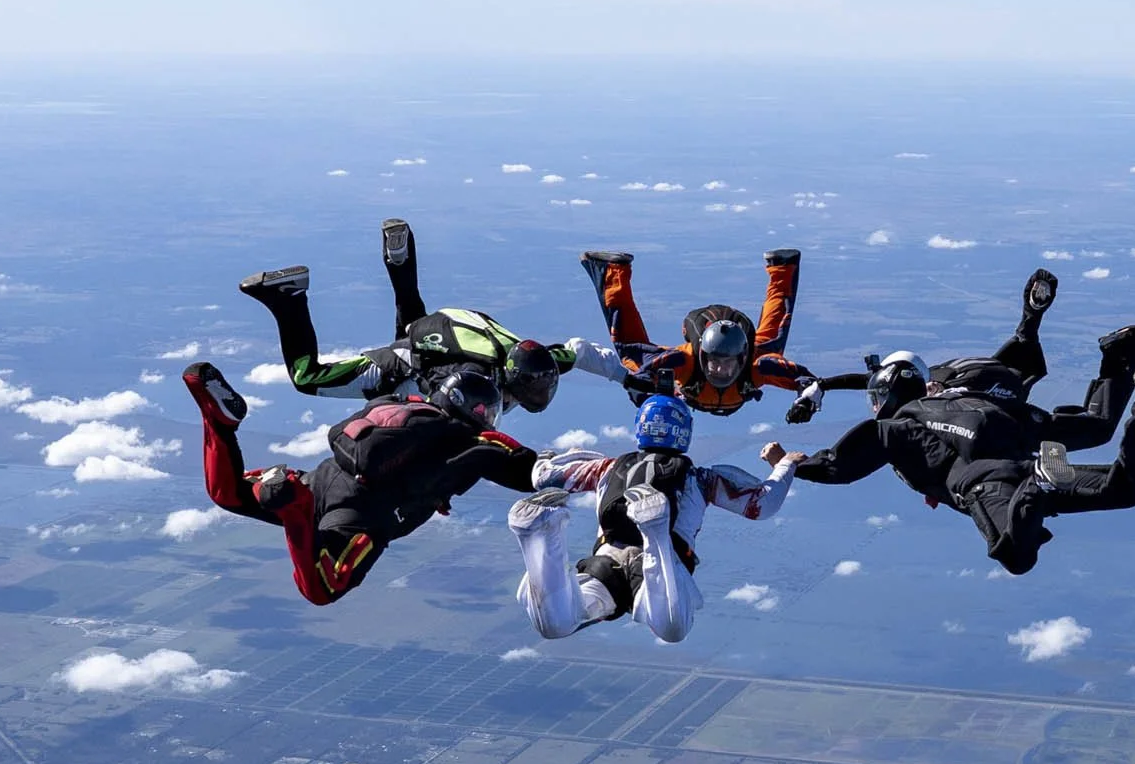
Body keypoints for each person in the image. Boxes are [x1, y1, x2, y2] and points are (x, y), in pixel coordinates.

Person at [793, 268, 1135, 574]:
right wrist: (1032, 316)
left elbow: (855, 452)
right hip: (1021, 436)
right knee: (1122, 475)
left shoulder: (906, 421)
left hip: (990, 476)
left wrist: (794, 464)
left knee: (1014, 552)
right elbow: (1011, 361)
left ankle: (1042, 484)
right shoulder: (954, 386)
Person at [181, 357, 537, 606]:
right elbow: (517, 465)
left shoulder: (407, 404)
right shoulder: (466, 441)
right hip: (357, 518)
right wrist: (557, 473)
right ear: (474, 410)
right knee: (322, 589)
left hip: (320, 478)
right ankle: (293, 507)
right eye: (488, 412)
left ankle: (220, 424)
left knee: (228, 493)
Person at [242, 219, 612, 414]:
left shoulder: (537, 361)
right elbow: (431, 404)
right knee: (308, 378)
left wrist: (628, 378)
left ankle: (399, 256)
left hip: (443, 330)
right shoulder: (471, 379)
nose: (541, 392)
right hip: (403, 366)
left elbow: (576, 351)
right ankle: (288, 297)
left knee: (411, 330)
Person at [509, 396, 798, 643]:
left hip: (607, 559)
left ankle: (541, 537)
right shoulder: (700, 478)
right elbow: (763, 505)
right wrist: (785, 464)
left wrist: (549, 459)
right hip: (663, 562)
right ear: (684, 431)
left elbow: (542, 477)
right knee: (671, 627)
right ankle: (655, 532)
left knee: (557, 623)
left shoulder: (606, 468)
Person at [579, 247, 840, 419]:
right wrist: (640, 387)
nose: (720, 371)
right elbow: (642, 369)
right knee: (631, 354)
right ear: (703, 355)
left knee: (772, 348)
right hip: (699, 369)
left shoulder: (758, 365)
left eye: (728, 364)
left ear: (741, 358)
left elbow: (808, 380)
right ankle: (612, 271)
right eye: (715, 362)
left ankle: (783, 268)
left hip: (743, 360)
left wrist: (806, 401)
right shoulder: (684, 360)